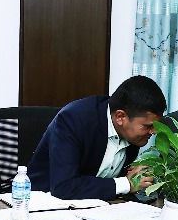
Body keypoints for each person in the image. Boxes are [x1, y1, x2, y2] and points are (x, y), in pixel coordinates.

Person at [27, 75, 167, 200]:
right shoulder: (73, 119)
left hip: (99, 207)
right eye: (148, 126)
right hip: (45, 206)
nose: (154, 131)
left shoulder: (133, 134)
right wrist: (127, 183)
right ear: (120, 117)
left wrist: (135, 174)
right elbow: (64, 187)